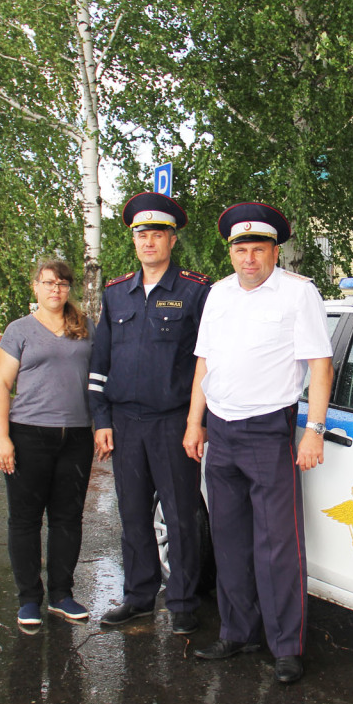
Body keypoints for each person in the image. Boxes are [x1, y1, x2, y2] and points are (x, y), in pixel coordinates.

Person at [182, 201, 334, 684]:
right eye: (241, 249)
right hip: (221, 431)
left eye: (259, 249)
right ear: (231, 253)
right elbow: (204, 363)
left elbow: (319, 365)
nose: (249, 258)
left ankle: (286, 646)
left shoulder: (298, 294)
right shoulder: (219, 295)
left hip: (269, 431)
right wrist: (194, 422)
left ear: (275, 252)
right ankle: (236, 631)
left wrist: (314, 429)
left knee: (277, 547)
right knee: (229, 542)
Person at [89, 192, 212, 635]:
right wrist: (101, 420)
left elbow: (208, 362)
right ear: (134, 240)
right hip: (124, 425)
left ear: (171, 240)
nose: (148, 242)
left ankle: (181, 602)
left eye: (157, 234)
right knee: (134, 515)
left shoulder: (197, 292)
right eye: (141, 234)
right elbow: (98, 365)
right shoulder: (116, 294)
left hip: (174, 423)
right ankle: (139, 596)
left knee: (181, 517)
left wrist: (199, 424)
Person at [0, 258, 95, 626]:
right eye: (49, 283)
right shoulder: (19, 330)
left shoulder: (85, 327)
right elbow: (1, 385)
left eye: (63, 284)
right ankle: (29, 599)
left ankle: (61, 594)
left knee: (68, 518)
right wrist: (2, 438)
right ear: (35, 287)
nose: (56, 289)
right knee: (25, 520)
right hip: (28, 434)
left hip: (77, 435)